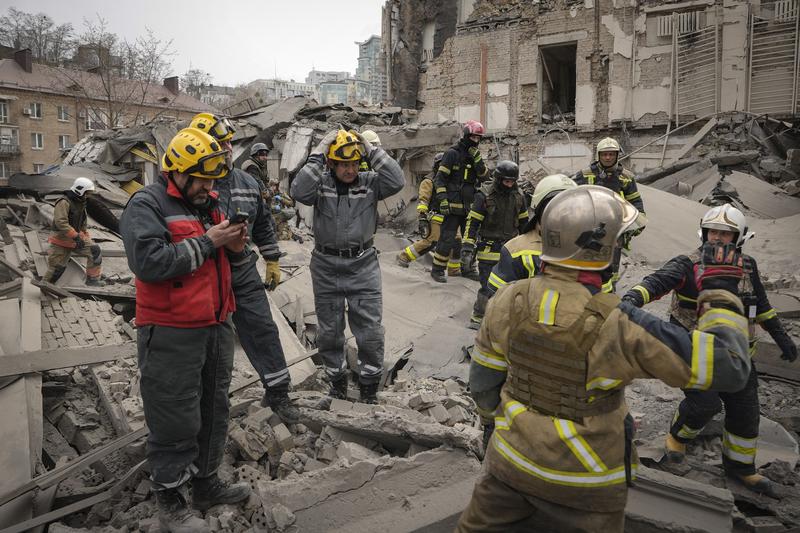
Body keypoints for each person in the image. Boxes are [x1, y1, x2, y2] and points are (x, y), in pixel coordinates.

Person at [458, 185, 752, 532]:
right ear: (604, 252)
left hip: (508, 468)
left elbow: (483, 386)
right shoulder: (620, 324)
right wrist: (720, 296)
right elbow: (732, 367)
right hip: (585, 487)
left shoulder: (507, 300)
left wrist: (512, 430)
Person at [120, 127, 251, 531]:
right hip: (172, 330)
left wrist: (234, 244)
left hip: (214, 324)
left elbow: (225, 257)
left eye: (214, 178)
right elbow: (150, 262)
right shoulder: (146, 204)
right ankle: (172, 501)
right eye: (202, 178)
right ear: (177, 172)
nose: (209, 186)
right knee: (174, 414)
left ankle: (206, 483)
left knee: (214, 407)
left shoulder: (207, 203)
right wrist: (210, 242)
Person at [622, 203, 798, 496]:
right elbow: (654, 284)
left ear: (739, 238)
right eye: (713, 231)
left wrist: (782, 338)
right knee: (704, 405)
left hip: (737, 356)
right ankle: (677, 439)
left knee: (746, 412)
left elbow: (762, 308)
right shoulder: (686, 264)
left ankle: (741, 468)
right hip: (696, 356)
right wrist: (630, 300)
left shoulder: (748, 267)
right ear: (703, 233)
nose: (717, 238)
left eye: (725, 234)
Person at [189, 112, 298, 424]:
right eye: (217, 142)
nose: (224, 148)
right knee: (206, 343)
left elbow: (262, 224)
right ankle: (202, 406)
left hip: (241, 269)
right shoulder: (191, 185)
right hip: (203, 274)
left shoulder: (247, 182)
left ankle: (278, 394)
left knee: (262, 329)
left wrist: (272, 258)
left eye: (227, 142)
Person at [291, 129, 404, 403]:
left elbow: (397, 179)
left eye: (354, 163)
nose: (350, 169)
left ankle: (369, 389)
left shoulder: (370, 183)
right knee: (330, 332)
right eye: (344, 164)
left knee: (370, 331)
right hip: (326, 266)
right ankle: (337, 383)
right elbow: (298, 190)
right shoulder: (321, 185)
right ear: (331, 163)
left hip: (362, 265)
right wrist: (319, 151)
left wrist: (371, 149)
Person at [462, 161, 528, 328]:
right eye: (506, 181)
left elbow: (525, 225)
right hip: (488, 249)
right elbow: (473, 222)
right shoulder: (483, 196)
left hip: (511, 250)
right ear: (498, 179)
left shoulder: (519, 197)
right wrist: (467, 248)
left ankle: (501, 321)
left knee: (509, 289)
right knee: (487, 286)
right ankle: (478, 317)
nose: (509, 185)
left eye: (512, 181)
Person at [486, 174, 577, 296]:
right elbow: (498, 301)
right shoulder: (515, 250)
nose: (561, 214)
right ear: (540, 210)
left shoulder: (586, 247)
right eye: (554, 208)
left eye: (567, 208)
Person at [574, 137, 645, 292]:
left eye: (611, 154)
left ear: (617, 155)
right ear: (598, 155)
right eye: (604, 154)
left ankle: (610, 290)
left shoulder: (626, 177)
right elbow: (573, 197)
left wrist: (639, 222)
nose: (607, 157)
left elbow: (635, 201)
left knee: (612, 262)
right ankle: (586, 289)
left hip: (615, 229)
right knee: (586, 258)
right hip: (589, 227)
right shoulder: (584, 175)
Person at [430, 120, 489, 283]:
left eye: (479, 138)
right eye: (473, 137)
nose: (476, 141)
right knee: (447, 239)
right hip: (451, 206)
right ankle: (437, 270)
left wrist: (478, 161)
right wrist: (442, 200)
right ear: (466, 135)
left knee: (469, 240)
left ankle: (468, 269)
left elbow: (485, 177)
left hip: (469, 206)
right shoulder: (452, 153)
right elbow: (439, 180)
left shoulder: (475, 156)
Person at [395, 153, 462, 276]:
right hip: (435, 217)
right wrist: (422, 218)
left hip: (450, 218)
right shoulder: (429, 181)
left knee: (457, 242)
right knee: (431, 242)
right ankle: (404, 257)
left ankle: (453, 270)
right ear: (436, 165)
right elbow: (423, 201)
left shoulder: (451, 180)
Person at [43, 177, 104, 286]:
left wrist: (84, 237)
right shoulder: (63, 202)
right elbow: (61, 222)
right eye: (87, 192)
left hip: (75, 239)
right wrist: (76, 236)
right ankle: (44, 288)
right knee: (56, 269)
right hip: (60, 240)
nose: (88, 195)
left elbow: (82, 224)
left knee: (95, 251)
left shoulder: (81, 202)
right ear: (80, 190)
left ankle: (92, 280)